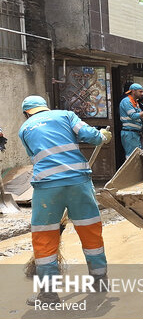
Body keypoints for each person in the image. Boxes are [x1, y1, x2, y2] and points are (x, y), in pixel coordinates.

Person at [18, 96, 113, 305]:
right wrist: (102, 136)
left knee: (44, 237)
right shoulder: (65, 115)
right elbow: (91, 136)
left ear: (27, 113)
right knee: (90, 230)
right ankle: (100, 281)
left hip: (47, 187)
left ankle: (48, 294)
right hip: (78, 182)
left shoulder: (24, 128)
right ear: (45, 107)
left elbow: (34, 156)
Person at [119, 83, 143, 159]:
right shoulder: (126, 101)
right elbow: (133, 116)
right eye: (140, 91)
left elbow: (140, 118)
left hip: (135, 133)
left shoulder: (135, 103)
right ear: (133, 91)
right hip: (129, 133)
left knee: (135, 156)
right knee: (131, 157)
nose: (142, 94)